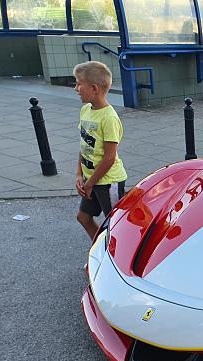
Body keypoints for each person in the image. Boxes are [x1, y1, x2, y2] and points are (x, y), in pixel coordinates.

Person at [73, 61, 127, 240]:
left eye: (79, 83)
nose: (76, 88)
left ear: (94, 88)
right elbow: (84, 145)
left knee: (115, 225)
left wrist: (89, 184)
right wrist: (79, 174)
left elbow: (109, 158)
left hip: (108, 182)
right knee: (83, 217)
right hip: (91, 179)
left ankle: (116, 260)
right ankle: (100, 252)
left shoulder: (109, 118)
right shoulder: (85, 110)